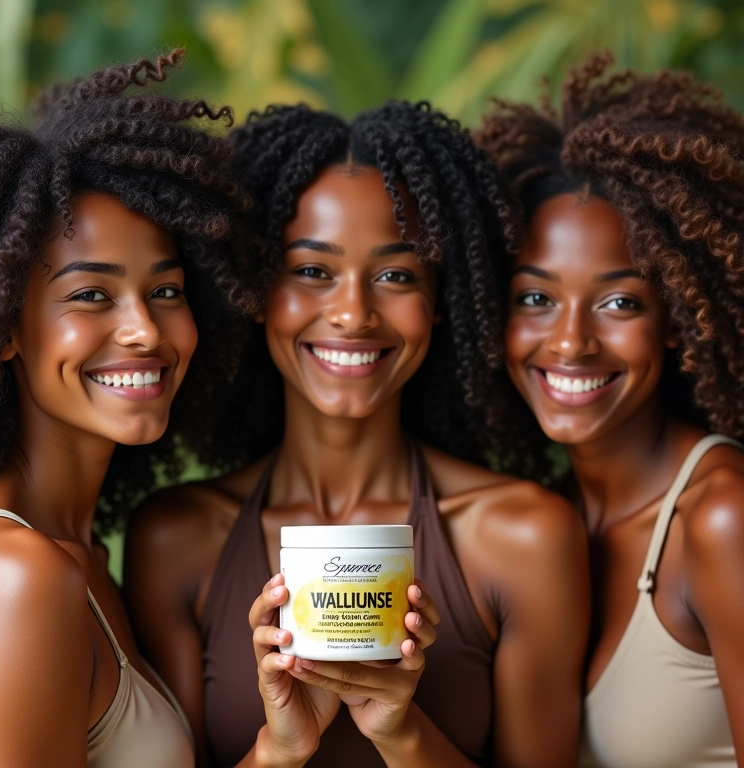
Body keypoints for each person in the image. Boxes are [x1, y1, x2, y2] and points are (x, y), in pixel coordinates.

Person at [124, 101, 589, 768]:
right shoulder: (176, 541)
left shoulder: (524, 536)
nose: (352, 312)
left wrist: (401, 731)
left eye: (397, 275)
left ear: (441, 300)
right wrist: (280, 748)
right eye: (312, 271)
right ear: (255, 290)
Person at [0, 51, 255, 766]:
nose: (145, 329)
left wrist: (278, 752)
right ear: (4, 326)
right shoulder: (15, 576)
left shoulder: (84, 553)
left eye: (165, 290)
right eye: (91, 295)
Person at [477, 53, 744, 767]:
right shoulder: (540, 520)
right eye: (535, 298)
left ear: (682, 315)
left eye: (621, 302)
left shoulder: (722, 519)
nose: (569, 341)